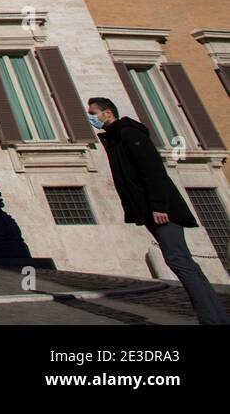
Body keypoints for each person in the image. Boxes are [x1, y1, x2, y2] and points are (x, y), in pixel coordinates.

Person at [89, 97, 229, 325]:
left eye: (93, 112)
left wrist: (158, 206)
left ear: (107, 113)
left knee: (178, 260)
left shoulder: (130, 134)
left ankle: (211, 319)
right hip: (152, 210)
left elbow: (153, 170)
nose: (91, 117)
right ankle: (216, 317)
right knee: (183, 261)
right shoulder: (117, 138)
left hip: (162, 210)